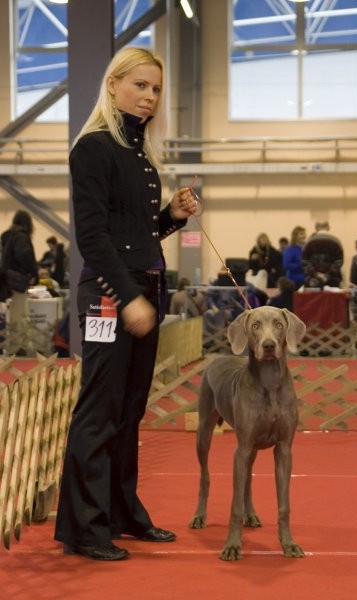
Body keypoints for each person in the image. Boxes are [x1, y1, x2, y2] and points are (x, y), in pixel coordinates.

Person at [54, 47, 198, 562]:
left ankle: (121, 513)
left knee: (130, 409)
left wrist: (172, 217)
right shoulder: (92, 149)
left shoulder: (142, 157)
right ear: (113, 84)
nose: (149, 97)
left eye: (156, 89)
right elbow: (93, 239)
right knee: (100, 410)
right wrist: (129, 296)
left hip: (145, 289)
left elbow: (137, 234)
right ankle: (84, 528)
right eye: (140, 85)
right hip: (111, 297)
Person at [0, 210, 38, 355]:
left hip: (8, 282)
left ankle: (25, 347)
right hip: (18, 282)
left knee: (20, 314)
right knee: (20, 316)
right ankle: (16, 348)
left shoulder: (8, 236)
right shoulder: (21, 237)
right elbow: (23, 255)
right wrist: (33, 272)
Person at [301, 221, 344, 288]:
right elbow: (339, 261)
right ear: (328, 227)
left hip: (313, 281)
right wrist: (327, 275)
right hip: (332, 280)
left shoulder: (309, 241)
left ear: (316, 228)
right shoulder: (336, 241)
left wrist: (316, 274)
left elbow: (304, 261)